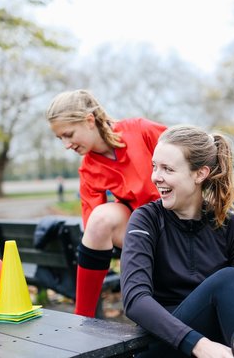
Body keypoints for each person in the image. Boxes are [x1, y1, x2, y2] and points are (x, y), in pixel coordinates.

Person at [121, 125, 234, 357]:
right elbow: (135, 300)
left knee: (233, 288)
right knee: (227, 280)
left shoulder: (232, 227)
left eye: (167, 169)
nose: (156, 177)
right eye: (155, 166)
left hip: (220, 346)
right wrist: (199, 344)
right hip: (163, 344)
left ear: (200, 174)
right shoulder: (146, 220)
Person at [46, 89, 167, 317]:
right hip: (148, 232)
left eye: (69, 134)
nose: (66, 144)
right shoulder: (88, 168)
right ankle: (84, 317)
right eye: (60, 138)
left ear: (89, 121)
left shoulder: (141, 130)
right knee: (101, 218)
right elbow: (93, 229)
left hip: (183, 218)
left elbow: (190, 156)